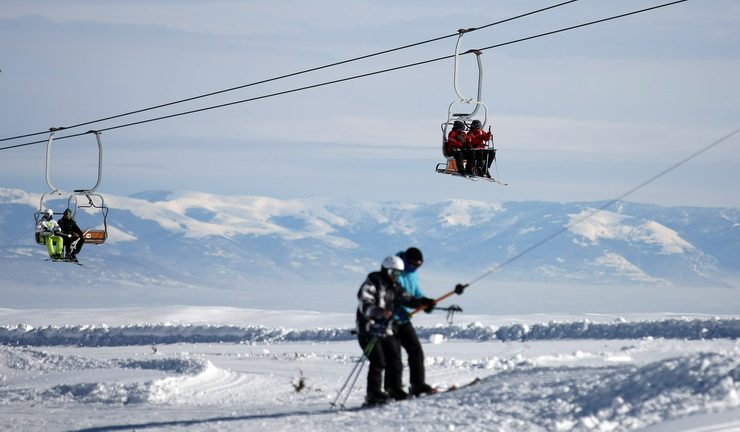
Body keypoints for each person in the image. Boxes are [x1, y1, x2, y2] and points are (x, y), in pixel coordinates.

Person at [355, 256, 435, 406]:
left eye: (398, 274)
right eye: (394, 273)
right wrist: (380, 312)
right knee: (379, 361)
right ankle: (373, 394)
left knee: (395, 361)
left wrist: (423, 303)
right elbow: (364, 306)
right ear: (386, 270)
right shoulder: (371, 284)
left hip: (386, 330)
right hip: (368, 331)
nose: (396, 277)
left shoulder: (395, 286)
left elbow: (407, 299)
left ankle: (394, 389)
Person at [391, 247, 437, 397]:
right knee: (394, 356)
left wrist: (425, 303)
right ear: (405, 261)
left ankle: (417, 384)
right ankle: (394, 389)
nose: (415, 268)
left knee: (415, 350)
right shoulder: (396, 272)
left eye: (419, 266)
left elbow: (415, 292)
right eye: (413, 265)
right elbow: (395, 297)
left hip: (403, 319)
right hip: (390, 320)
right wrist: (415, 304)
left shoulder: (412, 274)